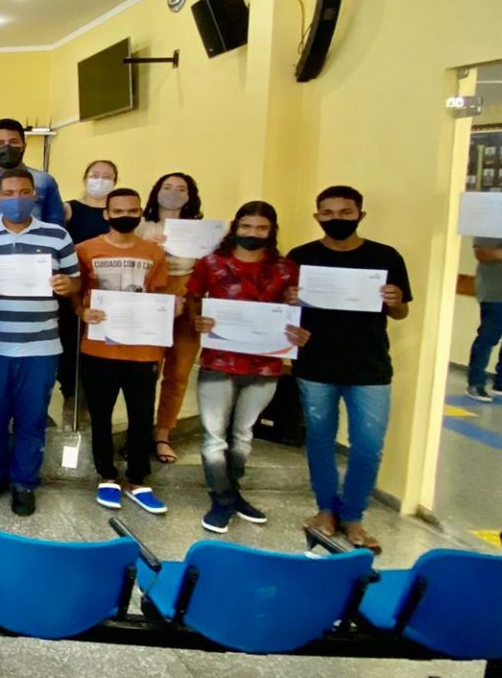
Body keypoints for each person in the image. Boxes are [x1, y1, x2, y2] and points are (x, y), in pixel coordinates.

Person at [289, 186, 411, 553]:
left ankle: (354, 515)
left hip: (369, 366)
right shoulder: (301, 257)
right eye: (328, 213)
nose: (336, 219)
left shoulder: (385, 256)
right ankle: (326, 510)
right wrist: (289, 302)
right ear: (317, 217)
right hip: (315, 364)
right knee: (320, 440)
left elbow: (401, 311)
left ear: (360, 215)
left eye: (345, 212)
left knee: (368, 446)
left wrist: (396, 301)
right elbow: (284, 312)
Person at [0, 168, 80, 516]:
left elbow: (75, 281)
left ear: (35, 196)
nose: (16, 199)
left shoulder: (57, 236)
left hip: (41, 347)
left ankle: (24, 482)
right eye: (8, 193)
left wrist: (67, 286)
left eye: (24, 192)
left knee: (32, 419)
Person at [187, 201, 310, 534]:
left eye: (261, 228)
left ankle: (233, 491)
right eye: (246, 226)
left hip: (265, 364)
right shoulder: (212, 263)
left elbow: (295, 311)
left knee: (242, 435)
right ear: (235, 227)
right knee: (214, 436)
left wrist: (297, 328)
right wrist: (198, 320)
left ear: (271, 231)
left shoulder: (286, 269)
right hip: (219, 360)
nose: (253, 233)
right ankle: (222, 499)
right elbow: (193, 298)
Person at [76, 187, 173, 516]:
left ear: (140, 213)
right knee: (101, 416)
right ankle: (106, 475)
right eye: (118, 211)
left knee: (141, 416)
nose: (125, 216)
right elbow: (75, 292)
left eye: (132, 210)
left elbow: (159, 294)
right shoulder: (85, 250)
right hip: (99, 347)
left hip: (143, 350)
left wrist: (170, 309)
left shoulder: (154, 253)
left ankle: (137, 479)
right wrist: (81, 310)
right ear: (106, 214)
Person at [136, 172, 207, 464]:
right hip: (151, 296)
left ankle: (163, 433)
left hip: (189, 300)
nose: (173, 192)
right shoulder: (141, 224)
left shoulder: (201, 230)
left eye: (181, 188)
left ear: (190, 196)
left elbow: (209, 268)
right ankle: (139, 431)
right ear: (156, 191)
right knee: (146, 371)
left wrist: (189, 295)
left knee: (178, 373)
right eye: (167, 187)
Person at [58, 160, 119, 412]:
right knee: (70, 345)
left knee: (101, 348)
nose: (100, 180)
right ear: (85, 178)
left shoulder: (118, 214)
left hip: (107, 290)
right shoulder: (68, 209)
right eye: (95, 175)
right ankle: (70, 398)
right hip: (72, 287)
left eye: (107, 176)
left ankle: (95, 401)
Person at [0, 118, 65, 233]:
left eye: (13, 142)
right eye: (0, 143)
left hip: (37, 244)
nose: (7, 147)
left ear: (24, 146)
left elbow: (55, 224)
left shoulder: (45, 181)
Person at [466, 235, 502, 401]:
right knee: (488, 338)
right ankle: (476, 383)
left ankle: (500, 383)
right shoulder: (490, 226)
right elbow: (481, 253)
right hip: (494, 294)